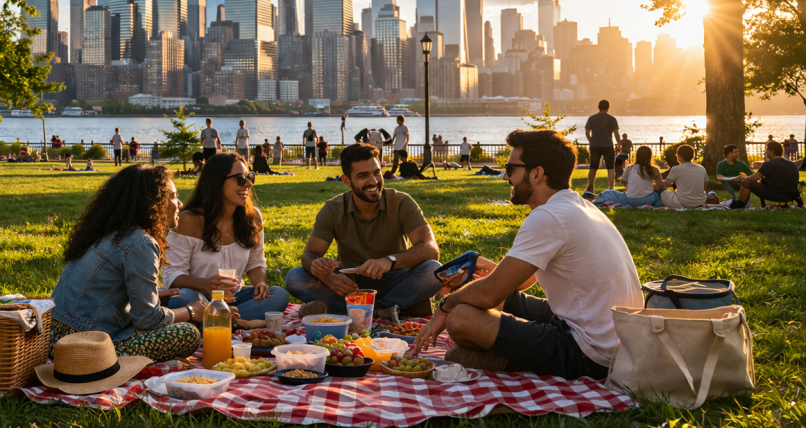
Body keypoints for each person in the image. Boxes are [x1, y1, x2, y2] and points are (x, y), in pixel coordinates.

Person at [411, 129, 643, 381]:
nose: (505, 177)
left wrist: (445, 306)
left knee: (460, 318)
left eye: (511, 169)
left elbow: (489, 294)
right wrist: (486, 270)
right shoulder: (578, 206)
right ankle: (509, 354)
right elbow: (522, 281)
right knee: (484, 300)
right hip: (616, 339)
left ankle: (511, 361)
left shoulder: (548, 217)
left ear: (537, 173)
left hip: (591, 353)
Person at [51, 164, 221, 363]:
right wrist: (191, 311)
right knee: (187, 333)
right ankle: (104, 361)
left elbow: (102, 293)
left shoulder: (107, 233)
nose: (180, 203)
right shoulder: (141, 243)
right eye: (173, 196)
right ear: (153, 202)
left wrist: (151, 295)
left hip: (54, 338)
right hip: (85, 347)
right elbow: (149, 320)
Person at [285, 143, 443, 319]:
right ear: (346, 181)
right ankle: (394, 309)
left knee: (433, 270)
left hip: (395, 279)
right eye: (363, 176)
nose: (374, 181)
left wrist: (389, 261)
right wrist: (328, 277)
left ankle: (357, 311)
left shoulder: (401, 202)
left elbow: (430, 249)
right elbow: (309, 255)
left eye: (376, 172)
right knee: (295, 276)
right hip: (349, 285)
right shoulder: (333, 209)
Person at [165, 154, 292, 321]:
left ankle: (217, 322)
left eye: (250, 177)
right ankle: (229, 321)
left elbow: (255, 263)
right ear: (217, 181)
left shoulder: (252, 218)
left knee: (278, 295)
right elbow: (172, 275)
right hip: (199, 298)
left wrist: (260, 283)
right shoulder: (189, 220)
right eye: (240, 178)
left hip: (234, 298)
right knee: (182, 299)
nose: (248, 184)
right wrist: (206, 284)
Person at [732, 141, 802, 208]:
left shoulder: (769, 164)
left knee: (745, 182)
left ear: (772, 152)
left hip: (776, 195)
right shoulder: (791, 164)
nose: (765, 153)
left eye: (766, 151)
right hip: (792, 195)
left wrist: (743, 178)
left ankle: (740, 203)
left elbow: (755, 177)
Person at [593, 146, 664, 207]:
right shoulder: (654, 169)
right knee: (661, 192)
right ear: (650, 156)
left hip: (629, 200)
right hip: (647, 200)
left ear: (637, 156)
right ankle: (657, 205)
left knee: (609, 192)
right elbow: (660, 185)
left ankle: (595, 201)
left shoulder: (629, 167)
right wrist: (650, 186)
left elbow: (623, 181)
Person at [584, 100, 622, 196]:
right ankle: (611, 187)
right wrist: (619, 144)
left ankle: (590, 186)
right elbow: (616, 133)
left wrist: (591, 141)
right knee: (610, 167)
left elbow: (587, 132)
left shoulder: (592, 118)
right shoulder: (612, 119)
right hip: (608, 145)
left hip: (595, 145)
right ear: (608, 107)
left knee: (593, 167)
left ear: (598, 107)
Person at [660, 144, 709, 209]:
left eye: (677, 154)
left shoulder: (676, 169)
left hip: (683, 201)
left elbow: (666, 184)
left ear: (680, 156)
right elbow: (705, 183)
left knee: (664, 193)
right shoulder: (701, 168)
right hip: (700, 201)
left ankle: (682, 207)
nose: (676, 156)